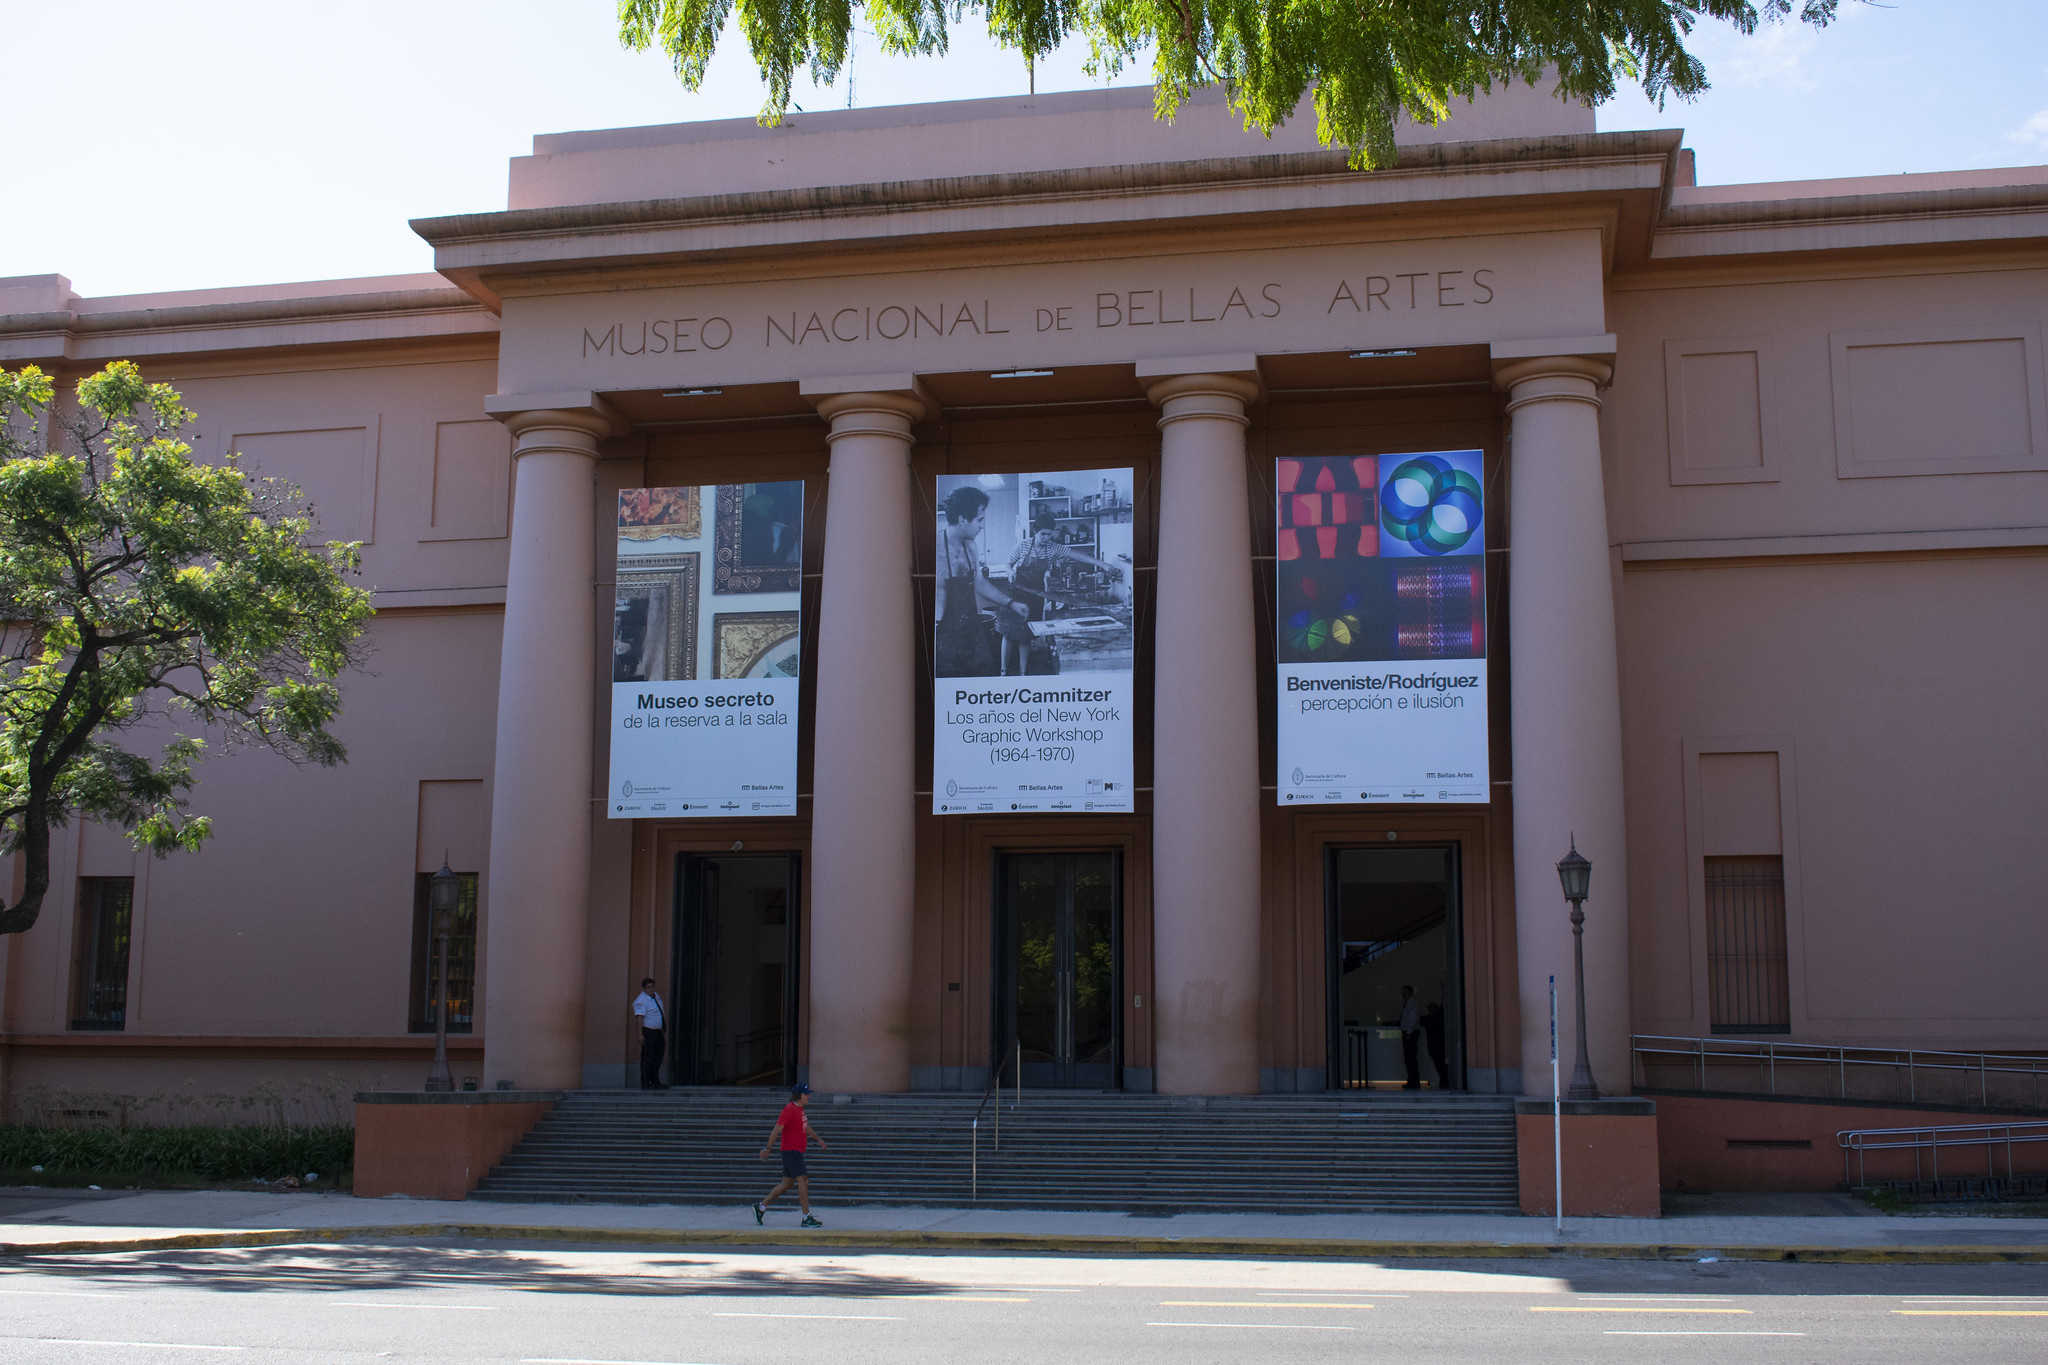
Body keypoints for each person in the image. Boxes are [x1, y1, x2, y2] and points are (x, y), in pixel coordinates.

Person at [1004, 510, 1124, 675]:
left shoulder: (1053, 548)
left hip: (1036, 594)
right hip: (1017, 592)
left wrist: (1104, 565)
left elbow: (1077, 556)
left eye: (1049, 535)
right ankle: (1003, 671)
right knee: (1009, 633)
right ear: (1035, 532)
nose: (1047, 538)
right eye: (1043, 534)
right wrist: (1010, 573)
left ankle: (1023, 673)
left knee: (1026, 636)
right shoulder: (1023, 545)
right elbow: (1008, 564)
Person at [934, 485, 1032, 678]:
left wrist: (1011, 603)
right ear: (963, 519)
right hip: (944, 635)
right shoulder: (934, 549)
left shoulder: (970, 546)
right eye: (980, 520)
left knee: (984, 673)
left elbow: (978, 582)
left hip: (971, 628)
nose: (982, 526)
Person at [753, 1083, 828, 1227]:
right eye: (806, 1094)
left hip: (795, 1151)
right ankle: (806, 1217)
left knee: (787, 1183)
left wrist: (818, 1139)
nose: (809, 1096)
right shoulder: (789, 1109)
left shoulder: (799, 1110)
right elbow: (777, 1129)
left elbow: (805, 1126)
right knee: (803, 1182)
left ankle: (761, 1207)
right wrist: (767, 1148)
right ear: (798, 1095)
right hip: (791, 1151)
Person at [632, 978, 667, 1089]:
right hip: (648, 1031)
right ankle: (646, 1081)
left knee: (658, 1056)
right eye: (648, 987)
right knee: (648, 1057)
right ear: (644, 988)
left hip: (657, 1031)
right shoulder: (642, 1000)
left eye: (652, 986)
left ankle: (655, 1080)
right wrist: (640, 1034)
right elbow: (639, 1018)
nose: (651, 989)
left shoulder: (655, 996)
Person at [1397, 984, 1422, 1089]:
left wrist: (1408, 1033)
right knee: (1408, 1059)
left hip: (1410, 1034)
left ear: (1411, 993)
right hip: (1408, 1033)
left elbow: (1412, 1019)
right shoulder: (1406, 1004)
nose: (1404, 994)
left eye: (1406, 992)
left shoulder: (1411, 1004)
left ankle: (1414, 1081)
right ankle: (1412, 1080)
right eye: (1403, 992)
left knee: (1411, 1058)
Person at [1422, 1000, 1450, 1089]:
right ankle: (1444, 1081)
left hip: (1441, 1045)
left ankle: (1445, 1081)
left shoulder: (1440, 1018)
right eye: (1430, 1008)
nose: (1431, 1010)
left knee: (1442, 1064)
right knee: (1438, 1064)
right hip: (1433, 1045)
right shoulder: (1427, 1019)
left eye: (1433, 1008)